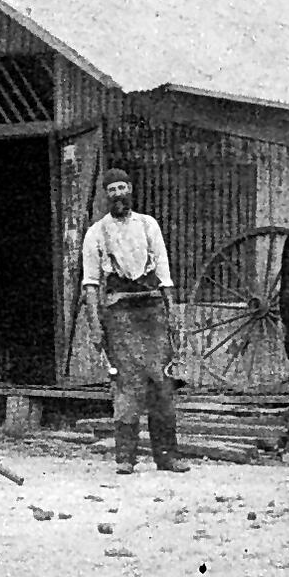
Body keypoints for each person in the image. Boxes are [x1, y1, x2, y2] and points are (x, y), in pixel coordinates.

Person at [81, 168, 189, 475]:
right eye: (112, 189)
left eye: (122, 187)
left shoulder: (148, 225)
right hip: (120, 316)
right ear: (106, 194)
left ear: (130, 190)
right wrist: (95, 326)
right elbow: (90, 285)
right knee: (127, 388)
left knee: (162, 385)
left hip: (153, 313)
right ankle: (125, 457)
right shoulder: (96, 233)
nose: (118, 193)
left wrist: (174, 319)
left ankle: (167, 456)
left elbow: (165, 276)